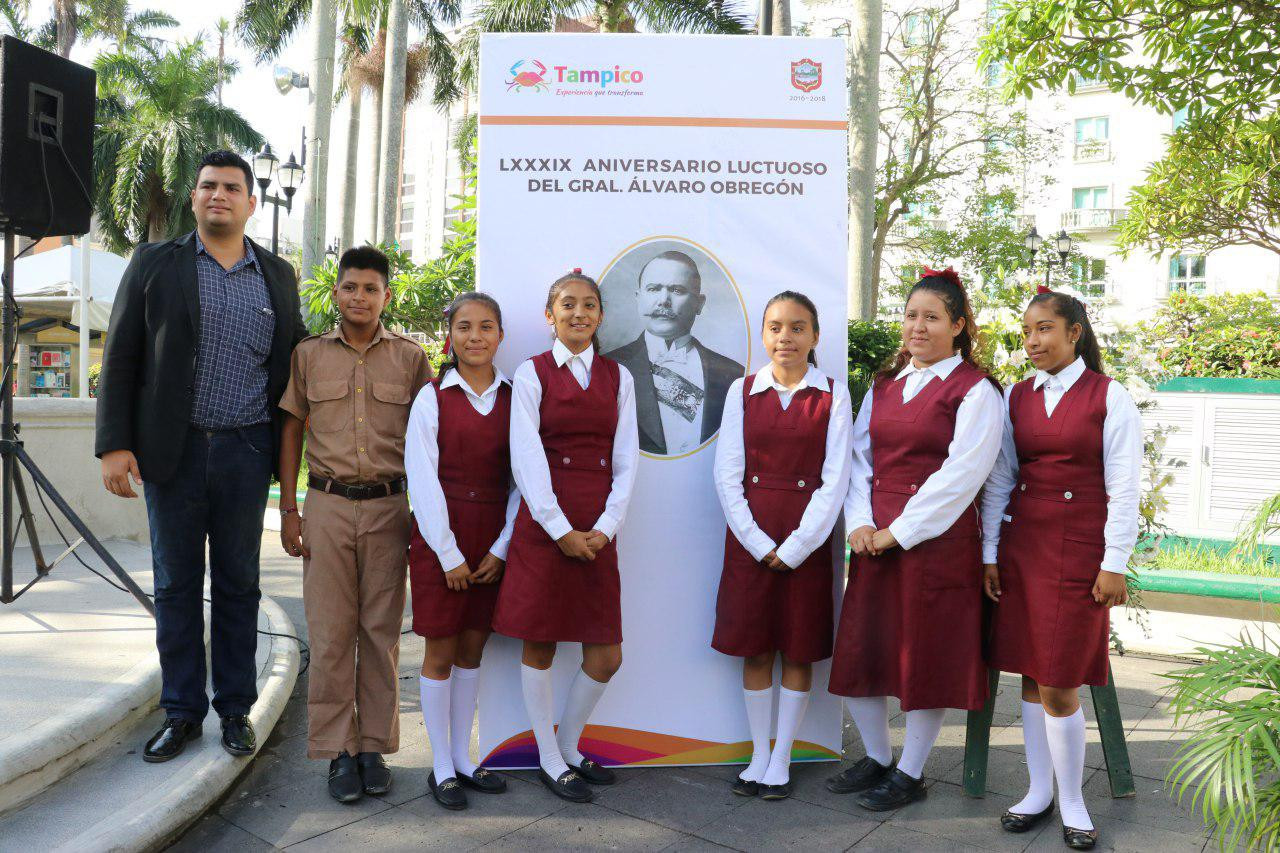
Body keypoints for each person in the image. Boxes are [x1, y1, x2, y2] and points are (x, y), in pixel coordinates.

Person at [96, 150, 307, 763]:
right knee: (177, 586)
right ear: (194, 198)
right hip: (174, 452)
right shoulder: (155, 264)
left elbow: (293, 360)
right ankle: (182, 712)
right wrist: (114, 443)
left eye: (232, 187)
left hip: (247, 451)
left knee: (239, 585)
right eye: (209, 186)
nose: (220, 195)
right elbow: (121, 355)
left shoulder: (278, 274)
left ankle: (235, 710)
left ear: (250, 202)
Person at [826, 267, 1003, 810]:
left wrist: (896, 534)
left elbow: (961, 476)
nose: (917, 327)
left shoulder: (977, 392)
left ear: (958, 325)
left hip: (935, 546)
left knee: (924, 658)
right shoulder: (884, 386)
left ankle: (911, 771)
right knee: (864, 651)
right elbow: (859, 459)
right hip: (873, 539)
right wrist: (859, 523)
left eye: (931, 317)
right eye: (910, 316)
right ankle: (879, 757)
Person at [980, 288, 1141, 850]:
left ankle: (1072, 799)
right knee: (1029, 672)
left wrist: (1114, 563)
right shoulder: (1017, 397)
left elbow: (1125, 488)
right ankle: (1037, 791)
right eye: (1027, 332)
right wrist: (990, 553)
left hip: (1079, 553)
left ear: (1074, 332)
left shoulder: (1109, 396)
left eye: (1044, 329)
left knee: (1060, 679)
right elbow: (1001, 478)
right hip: (1024, 546)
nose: (1032, 341)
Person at [277, 246, 432, 802]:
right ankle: (338, 752)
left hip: (391, 509)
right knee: (330, 632)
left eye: (371, 288)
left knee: (381, 633)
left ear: (386, 295)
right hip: (327, 506)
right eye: (350, 287)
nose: (360, 297)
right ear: (336, 293)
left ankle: (373, 747)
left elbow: (430, 437)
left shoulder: (411, 360)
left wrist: (428, 516)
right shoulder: (309, 355)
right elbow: (292, 428)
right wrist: (289, 510)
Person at [491, 269, 639, 804]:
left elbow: (626, 460)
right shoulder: (531, 375)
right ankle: (550, 760)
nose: (580, 313)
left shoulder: (618, 377)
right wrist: (559, 531)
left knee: (606, 655)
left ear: (600, 316)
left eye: (590, 305)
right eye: (568, 305)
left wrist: (604, 528)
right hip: (544, 526)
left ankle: (570, 747)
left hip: (597, 529)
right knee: (542, 642)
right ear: (549, 315)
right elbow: (525, 457)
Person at [711, 291, 852, 801]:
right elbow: (728, 473)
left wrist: (795, 547)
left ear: (815, 336)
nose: (785, 337)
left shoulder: (833, 394)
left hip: (806, 543)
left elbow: (835, 478)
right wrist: (754, 540)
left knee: (797, 649)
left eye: (797, 328)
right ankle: (757, 753)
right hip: (749, 537)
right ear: (763, 333)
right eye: (775, 327)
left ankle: (783, 756)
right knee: (754, 649)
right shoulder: (742, 390)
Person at [404, 292, 517, 810]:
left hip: (490, 536)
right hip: (440, 537)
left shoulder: (517, 399)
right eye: (465, 327)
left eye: (486, 326)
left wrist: (501, 547)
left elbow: (525, 481)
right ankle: (441, 766)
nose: (475, 337)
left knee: (473, 649)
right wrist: (447, 554)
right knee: (441, 651)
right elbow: (422, 479)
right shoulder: (433, 397)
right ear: (450, 335)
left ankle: (466, 759)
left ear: (500, 335)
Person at [603, 250, 745, 455]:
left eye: (677, 290)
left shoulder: (732, 375)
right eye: (653, 289)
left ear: (699, 303)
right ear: (638, 298)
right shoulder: (608, 368)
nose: (663, 300)